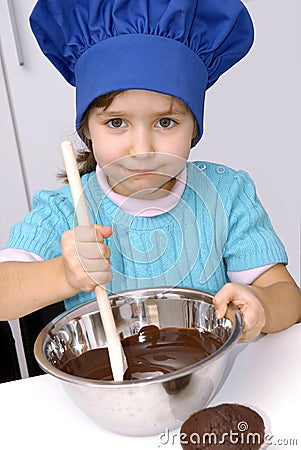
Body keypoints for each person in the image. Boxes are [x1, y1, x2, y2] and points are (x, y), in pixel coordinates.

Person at [0, 0, 300, 343]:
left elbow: (288, 298)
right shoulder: (65, 208)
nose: (142, 149)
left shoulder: (226, 195)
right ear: (87, 130)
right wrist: (64, 275)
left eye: (165, 122)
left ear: (194, 129)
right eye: (116, 122)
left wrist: (262, 305)